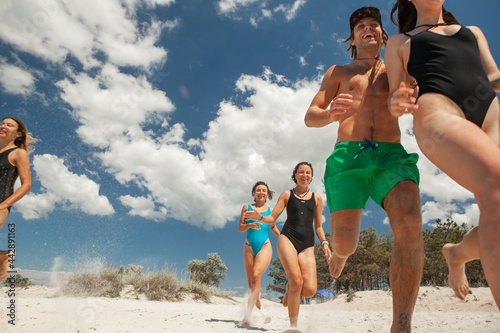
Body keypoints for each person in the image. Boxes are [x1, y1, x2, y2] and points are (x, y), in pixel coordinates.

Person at [304, 6, 423, 332]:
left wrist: (412, 96)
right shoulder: (339, 72)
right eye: (360, 26)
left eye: (374, 25)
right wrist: (329, 115)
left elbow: (422, 93)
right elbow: (310, 115)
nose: (368, 29)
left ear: (384, 36)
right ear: (352, 38)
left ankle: (402, 326)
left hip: (390, 157)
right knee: (346, 245)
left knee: (410, 222)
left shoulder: (397, 68)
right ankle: (337, 257)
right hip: (348, 159)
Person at [386, 0, 500, 310]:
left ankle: (458, 253)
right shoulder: (400, 41)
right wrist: (398, 102)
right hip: (438, 110)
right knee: (496, 186)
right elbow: (395, 94)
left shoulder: (472, 32)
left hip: (488, 110)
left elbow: (493, 76)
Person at [245, 162, 331, 329]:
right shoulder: (286, 195)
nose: (304, 175)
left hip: (307, 244)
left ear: (311, 176)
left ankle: (288, 289)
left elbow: (318, 226)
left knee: (309, 290)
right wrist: (259, 216)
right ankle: (293, 327)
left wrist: (325, 243)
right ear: (295, 175)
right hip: (288, 239)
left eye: (308, 173)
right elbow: (272, 218)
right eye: (301, 172)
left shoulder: (317, 199)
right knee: (296, 282)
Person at [238, 181, 280, 326]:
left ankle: (247, 317)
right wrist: (250, 224)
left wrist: (281, 236)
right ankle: (260, 306)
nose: (261, 192)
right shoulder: (246, 207)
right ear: (253, 193)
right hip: (248, 247)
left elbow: (273, 227)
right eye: (258, 190)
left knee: (256, 276)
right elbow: (240, 228)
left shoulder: (271, 210)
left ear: (267, 194)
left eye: (264, 190)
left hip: (265, 246)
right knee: (252, 285)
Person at [0, 117, 33, 281]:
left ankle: (4, 257)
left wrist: (4, 205)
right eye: (2, 123)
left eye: (8, 125)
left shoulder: (18, 153)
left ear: (18, 134)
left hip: (1, 202)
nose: (3, 126)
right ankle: (3, 256)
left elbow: (26, 185)